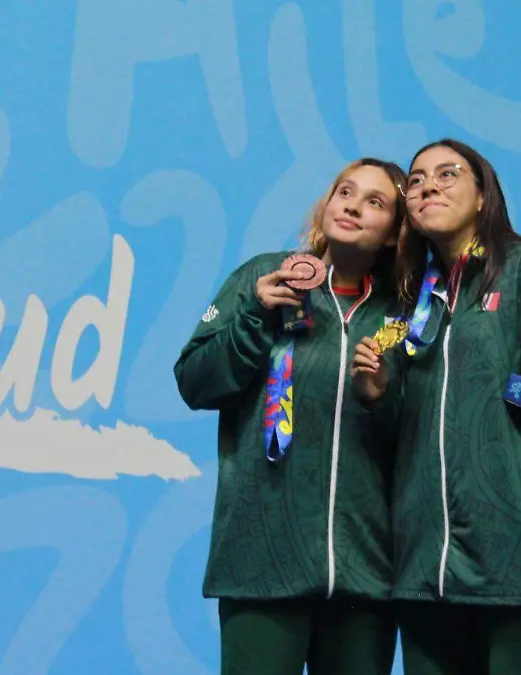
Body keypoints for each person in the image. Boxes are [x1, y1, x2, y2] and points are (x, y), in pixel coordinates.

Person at [351, 139, 521, 674]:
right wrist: (376, 394)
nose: (428, 186)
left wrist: (513, 415)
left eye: (447, 174)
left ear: (483, 195)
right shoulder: (410, 299)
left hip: (517, 569)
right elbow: (404, 430)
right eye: (415, 180)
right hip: (425, 575)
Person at [175, 158, 409, 675]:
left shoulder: (403, 317)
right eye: (345, 191)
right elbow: (194, 381)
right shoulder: (263, 277)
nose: (351, 204)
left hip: (365, 572)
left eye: (375, 201)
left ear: (396, 233)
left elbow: (417, 440)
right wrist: (254, 320)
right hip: (262, 561)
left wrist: (378, 398)